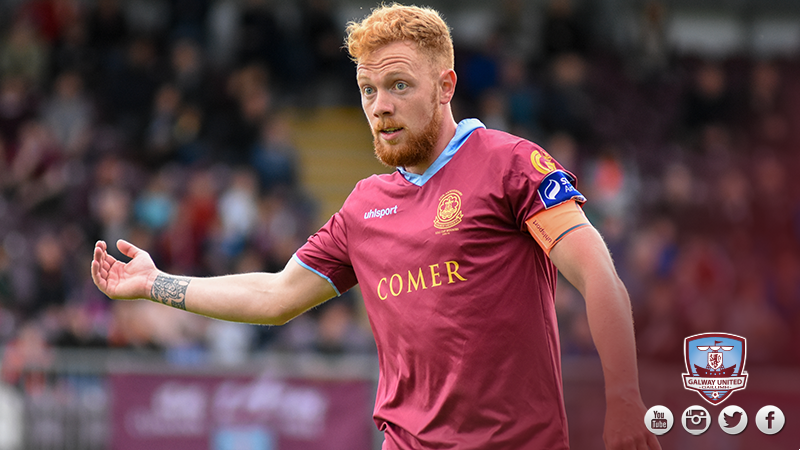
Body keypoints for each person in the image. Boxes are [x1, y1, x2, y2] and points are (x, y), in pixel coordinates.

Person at [91, 4, 660, 449]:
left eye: (399, 86)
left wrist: (625, 398)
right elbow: (274, 295)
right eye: (368, 90)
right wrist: (155, 283)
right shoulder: (364, 207)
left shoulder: (510, 163)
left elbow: (599, 276)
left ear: (445, 86)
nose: (380, 105)